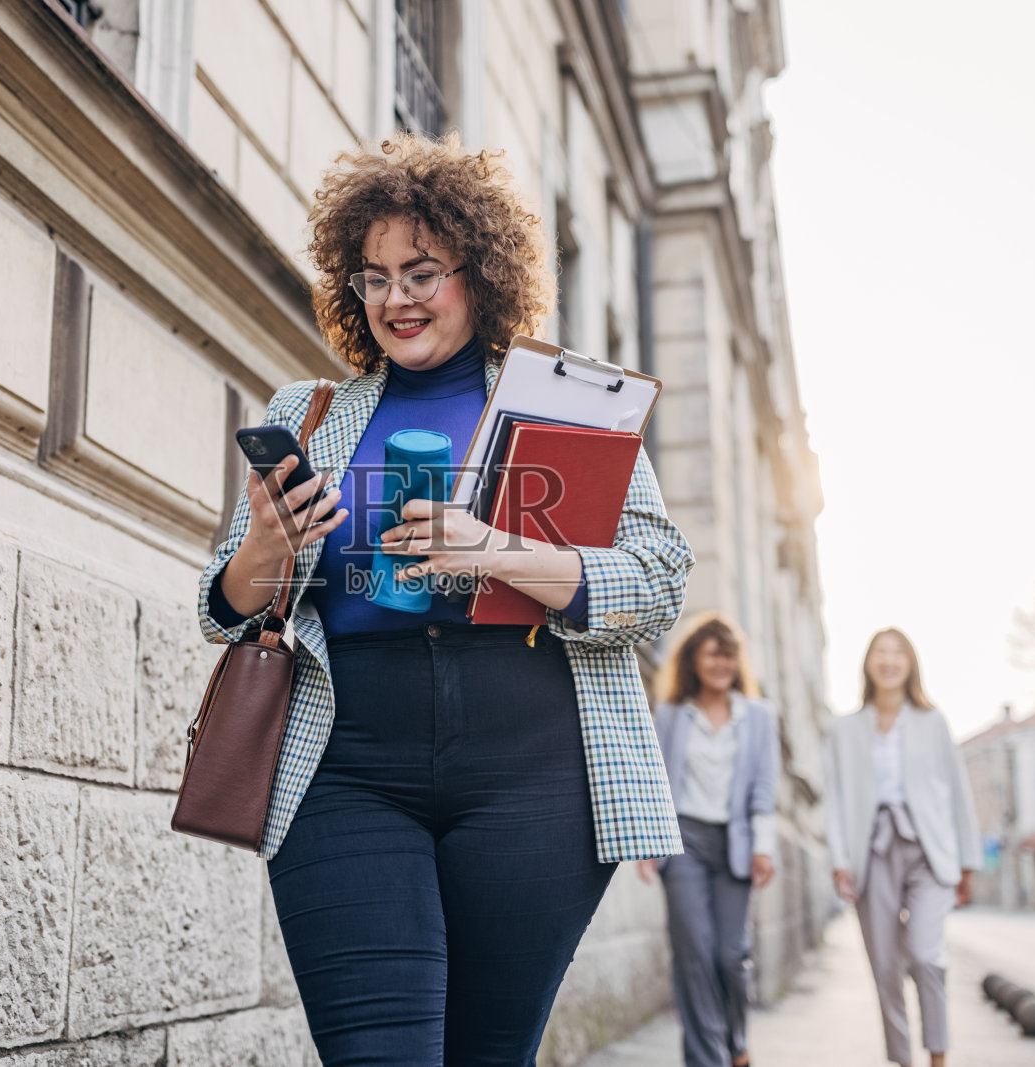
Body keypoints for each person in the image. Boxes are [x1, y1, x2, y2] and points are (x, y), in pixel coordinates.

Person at [196, 134, 694, 1066]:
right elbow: (221, 608)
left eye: (420, 272)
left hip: (535, 775)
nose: (396, 299)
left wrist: (497, 550)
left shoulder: (569, 404)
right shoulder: (308, 408)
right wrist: (271, 540)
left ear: (480, 271)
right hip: (347, 769)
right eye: (372, 278)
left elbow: (658, 578)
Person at [824, 628, 981, 1067]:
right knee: (886, 969)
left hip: (929, 853)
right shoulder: (844, 728)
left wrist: (968, 863)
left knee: (927, 956)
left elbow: (958, 792)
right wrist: (839, 861)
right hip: (870, 853)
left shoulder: (933, 722)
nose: (889, 660)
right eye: (881, 652)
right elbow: (833, 799)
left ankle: (938, 1056)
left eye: (898, 653)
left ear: (910, 665)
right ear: (868, 663)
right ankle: (901, 1060)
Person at [638, 613, 779, 1067]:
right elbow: (654, 780)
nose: (721, 663)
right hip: (684, 844)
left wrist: (764, 845)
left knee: (729, 955)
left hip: (736, 845)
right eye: (712, 654)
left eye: (729, 655)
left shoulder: (759, 717)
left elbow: (764, 788)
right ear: (693, 661)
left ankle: (736, 1042)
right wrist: (647, 846)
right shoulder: (671, 715)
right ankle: (706, 1059)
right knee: (694, 952)